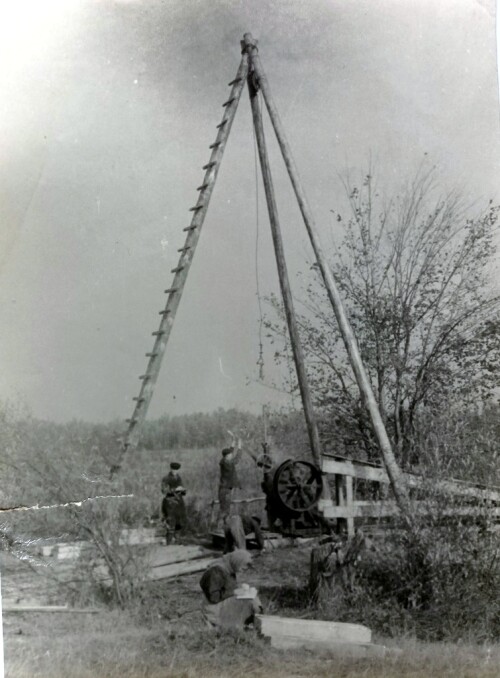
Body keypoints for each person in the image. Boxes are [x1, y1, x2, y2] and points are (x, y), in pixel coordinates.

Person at [199, 549, 263, 630]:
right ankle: (250, 625)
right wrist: (234, 592)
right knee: (250, 601)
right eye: (243, 568)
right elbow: (213, 597)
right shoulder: (216, 571)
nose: (242, 571)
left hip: (221, 602)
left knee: (253, 599)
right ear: (236, 561)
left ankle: (255, 623)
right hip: (214, 608)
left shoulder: (229, 567)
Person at [218, 433, 243, 525]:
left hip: (225, 489)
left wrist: (233, 441)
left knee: (225, 510)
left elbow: (230, 451)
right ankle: (221, 528)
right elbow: (237, 459)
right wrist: (239, 446)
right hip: (225, 490)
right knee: (225, 510)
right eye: (230, 455)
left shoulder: (224, 461)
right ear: (227, 456)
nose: (232, 455)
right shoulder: (227, 464)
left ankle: (223, 527)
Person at [161, 462, 187, 544]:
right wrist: (174, 490)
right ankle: (169, 542)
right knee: (170, 521)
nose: (175, 471)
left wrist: (183, 490)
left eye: (177, 470)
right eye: (173, 469)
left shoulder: (179, 478)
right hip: (170, 502)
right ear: (171, 469)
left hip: (179, 502)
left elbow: (183, 489)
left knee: (179, 522)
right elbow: (164, 490)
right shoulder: (166, 478)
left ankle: (178, 540)